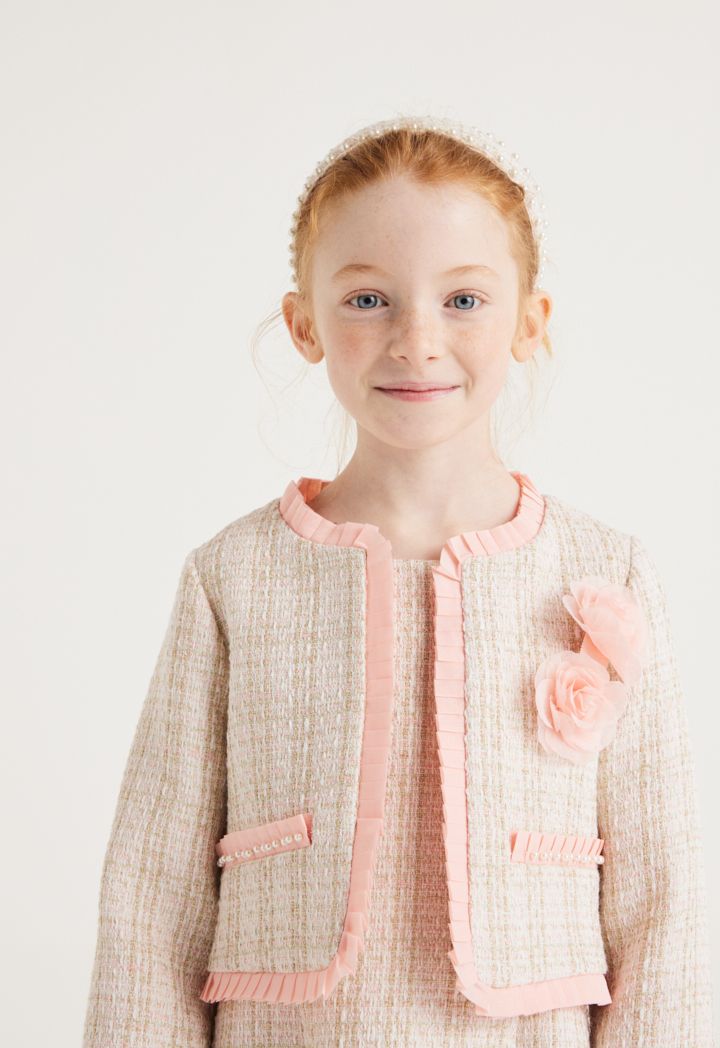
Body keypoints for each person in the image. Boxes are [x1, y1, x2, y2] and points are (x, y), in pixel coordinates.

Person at [82, 115, 715, 1047]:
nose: (417, 340)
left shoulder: (605, 571)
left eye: (463, 300)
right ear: (304, 324)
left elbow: (666, 900)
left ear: (529, 322)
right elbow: (152, 894)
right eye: (368, 299)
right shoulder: (233, 578)